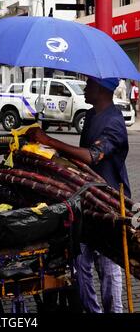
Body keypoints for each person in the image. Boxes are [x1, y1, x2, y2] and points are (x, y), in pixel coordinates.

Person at [26, 76, 130, 313]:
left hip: (109, 202)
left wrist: (50, 140)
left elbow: (93, 156)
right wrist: (48, 148)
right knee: (80, 262)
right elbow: (80, 159)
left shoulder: (114, 122)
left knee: (108, 266)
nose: (84, 88)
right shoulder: (92, 115)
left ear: (102, 89)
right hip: (86, 198)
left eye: (89, 84)